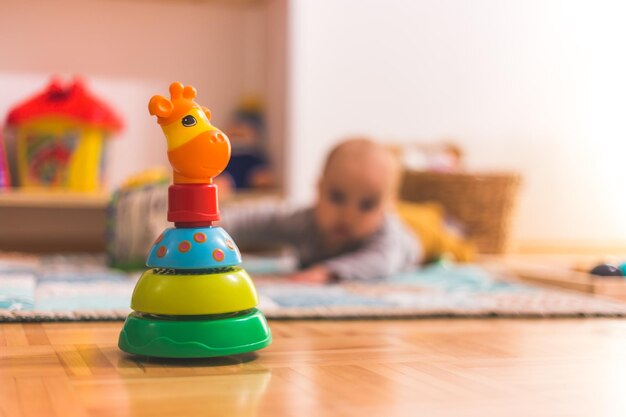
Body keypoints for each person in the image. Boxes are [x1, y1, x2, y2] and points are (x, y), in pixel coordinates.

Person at [218, 138, 423, 284]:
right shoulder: (307, 220)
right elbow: (262, 219)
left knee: (432, 232)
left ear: (386, 207)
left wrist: (329, 272)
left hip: (416, 240)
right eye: (337, 197)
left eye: (367, 205)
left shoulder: (385, 236)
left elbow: (380, 261)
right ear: (319, 188)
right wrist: (217, 224)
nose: (348, 215)